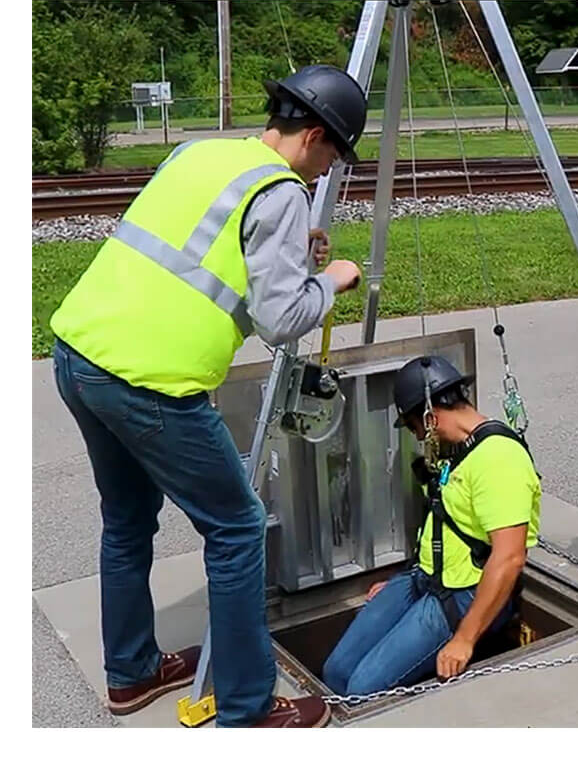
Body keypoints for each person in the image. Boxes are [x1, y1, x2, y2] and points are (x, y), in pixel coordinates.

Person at [49, 65, 367, 728]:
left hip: (79, 352)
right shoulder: (283, 193)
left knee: (129, 520)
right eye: (333, 157)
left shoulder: (203, 151)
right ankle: (249, 710)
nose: (325, 173)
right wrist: (333, 278)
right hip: (150, 382)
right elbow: (281, 321)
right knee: (237, 528)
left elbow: (200, 250)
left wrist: (288, 254)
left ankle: (131, 674)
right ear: (314, 135)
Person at [322, 355, 541, 695]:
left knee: (362, 689)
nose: (416, 436)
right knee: (336, 671)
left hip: (464, 592)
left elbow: (510, 557)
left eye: (413, 427)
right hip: (425, 577)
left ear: (429, 415)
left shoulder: (499, 460)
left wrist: (464, 640)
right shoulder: (456, 450)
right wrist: (402, 583)